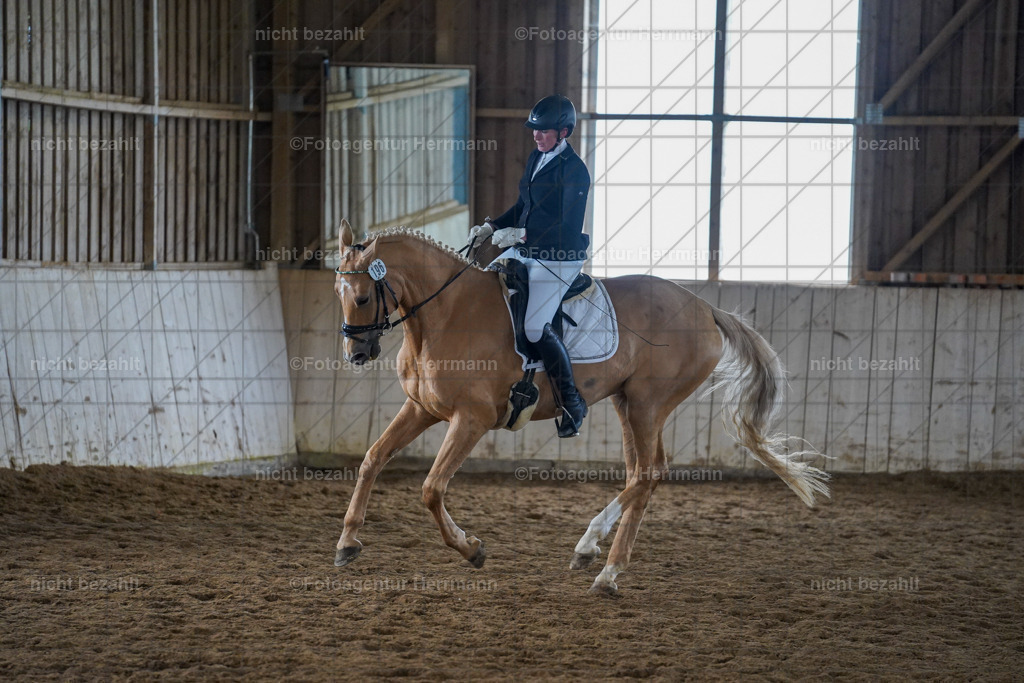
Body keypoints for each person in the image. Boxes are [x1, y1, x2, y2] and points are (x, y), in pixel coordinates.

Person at [470, 94, 591, 438]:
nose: (536, 136)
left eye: (544, 131)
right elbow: (524, 203)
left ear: (564, 131)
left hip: (559, 257)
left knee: (536, 327)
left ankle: (571, 401)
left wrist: (520, 234)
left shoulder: (576, 172)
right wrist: (492, 227)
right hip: (528, 248)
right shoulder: (536, 156)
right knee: (485, 286)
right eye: (534, 131)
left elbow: (566, 227)